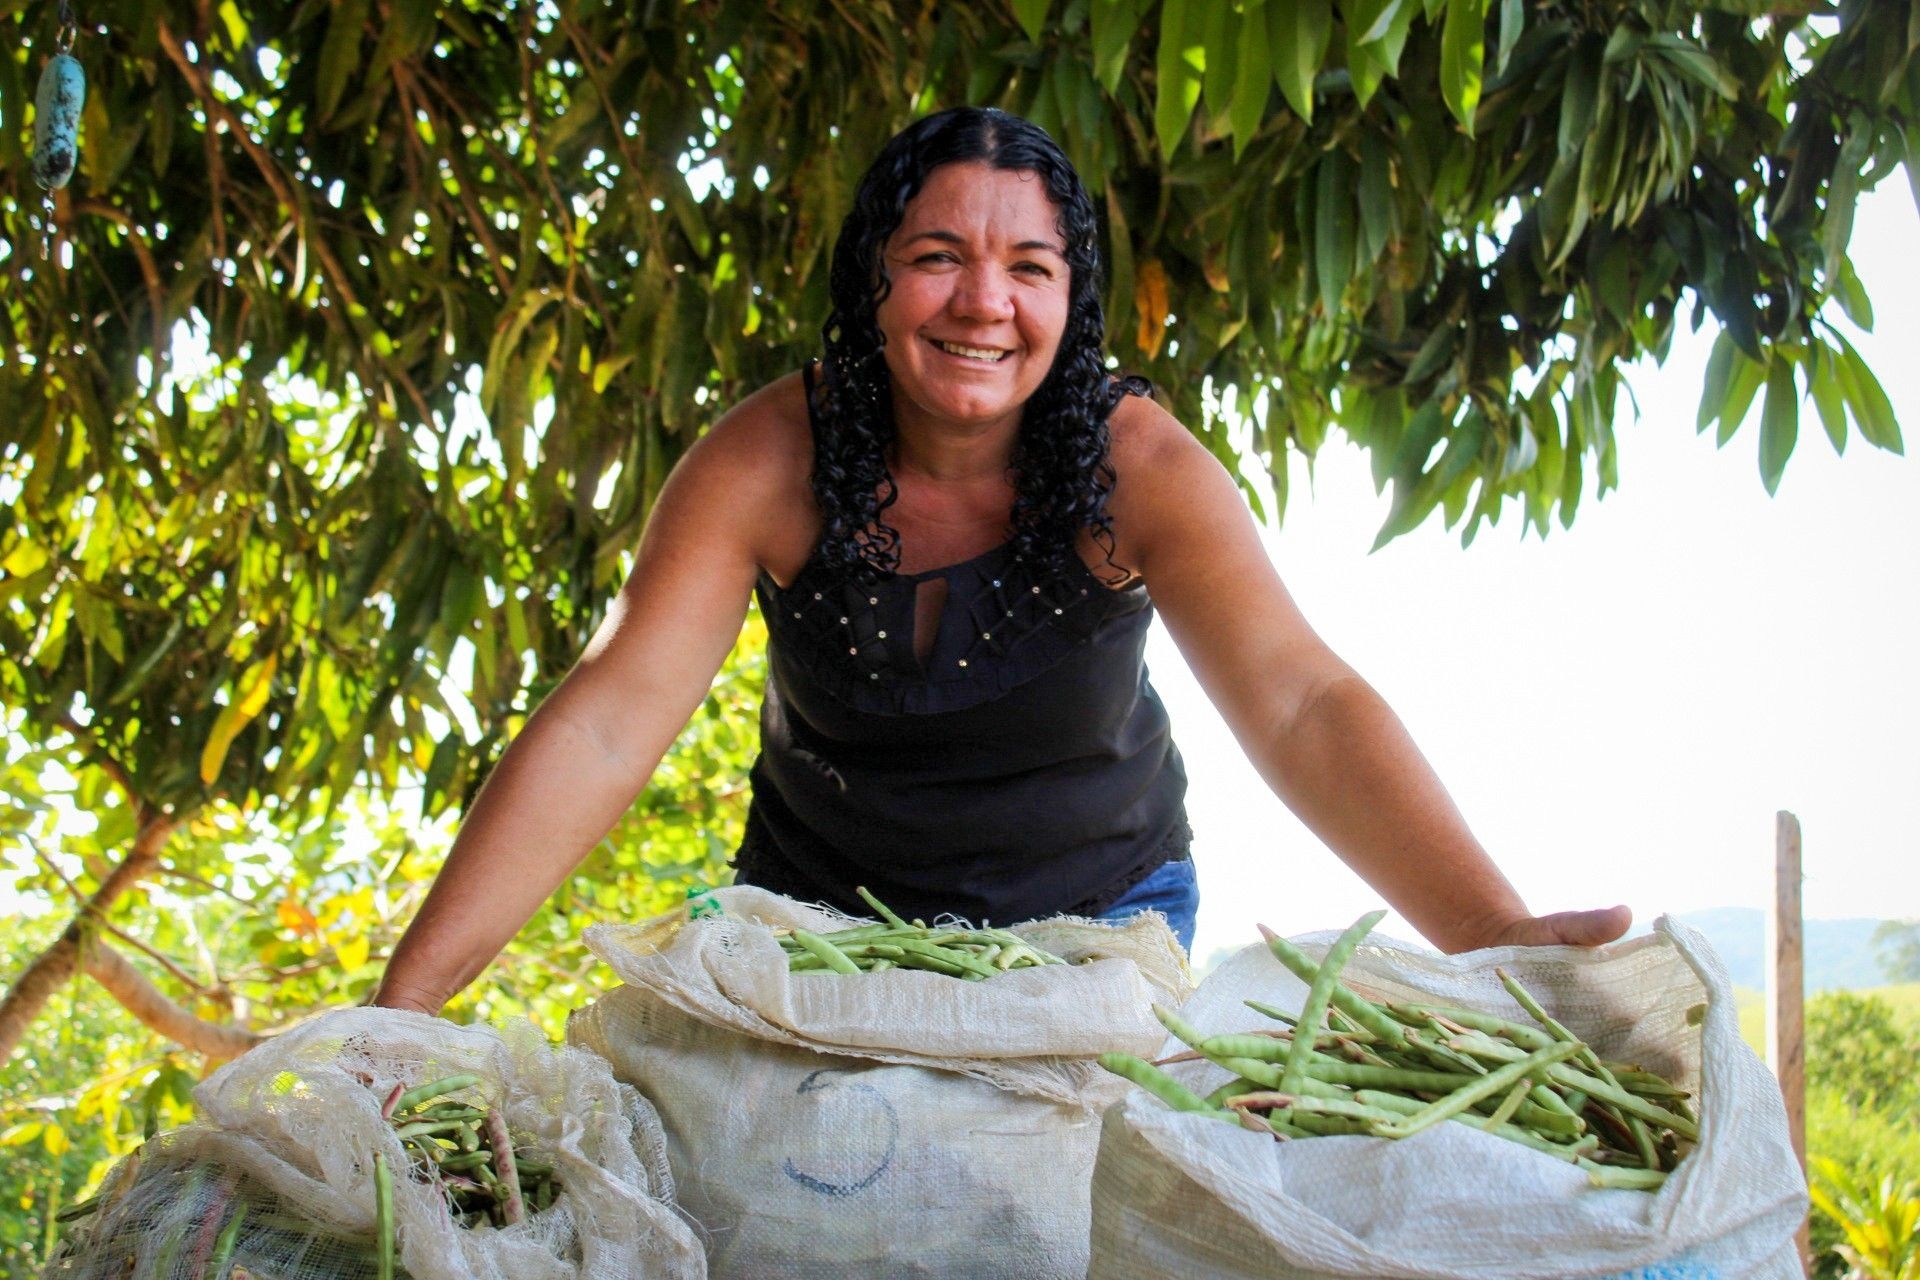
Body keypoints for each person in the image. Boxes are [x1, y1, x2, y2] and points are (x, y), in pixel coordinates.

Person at [372, 107, 1628, 1014]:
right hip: (815, 927)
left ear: (1071, 300)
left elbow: (1302, 703)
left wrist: (1494, 936)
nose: (985, 302)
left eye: (1030, 267)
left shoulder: (1143, 469)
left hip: (1094, 934)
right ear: (873, 277)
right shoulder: (760, 461)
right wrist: (405, 1000)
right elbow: (607, 721)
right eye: (938, 258)